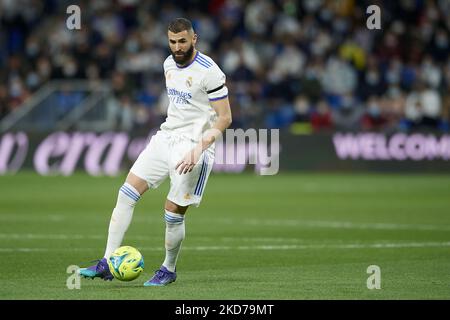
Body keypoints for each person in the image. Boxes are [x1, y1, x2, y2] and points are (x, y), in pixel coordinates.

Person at [78, 18, 232, 286]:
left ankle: (168, 269)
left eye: (182, 41)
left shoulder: (210, 72)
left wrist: (199, 149)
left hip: (194, 145)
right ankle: (106, 261)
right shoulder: (168, 64)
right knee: (126, 193)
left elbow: (225, 118)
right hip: (166, 137)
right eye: (172, 42)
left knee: (172, 212)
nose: (177, 47)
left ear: (194, 39)